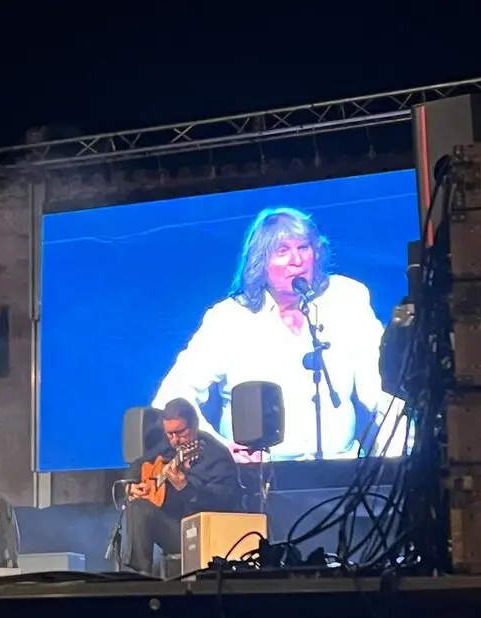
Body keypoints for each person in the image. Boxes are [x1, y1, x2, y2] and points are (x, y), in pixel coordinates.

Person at [152, 207, 406, 463]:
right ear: (260, 263)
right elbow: (172, 397)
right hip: (256, 481)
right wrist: (218, 451)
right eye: (282, 251)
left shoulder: (346, 299)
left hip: (341, 473)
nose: (296, 260)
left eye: (304, 248)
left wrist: (393, 466)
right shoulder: (229, 319)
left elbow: (384, 391)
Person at [123, 398, 244, 575]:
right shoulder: (167, 447)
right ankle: (139, 575)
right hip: (175, 528)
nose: (175, 440)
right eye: (169, 434)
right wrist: (131, 484)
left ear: (194, 425)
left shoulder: (218, 457)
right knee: (138, 505)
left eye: (180, 433)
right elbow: (138, 464)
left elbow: (221, 504)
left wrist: (184, 487)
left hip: (204, 534)